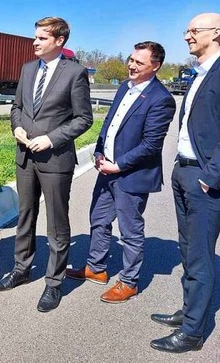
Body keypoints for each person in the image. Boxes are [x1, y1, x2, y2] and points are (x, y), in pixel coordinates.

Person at [150, 13, 220, 353]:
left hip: (205, 178)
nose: (187, 36)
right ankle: (189, 312)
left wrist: (209, 178)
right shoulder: (199, 75)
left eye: (195, 30)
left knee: (199, 255)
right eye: (187, 30)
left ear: (217, 32)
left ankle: (192, 333)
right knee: (187, 249)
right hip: (185, 171)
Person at [0, 17, 93, 312]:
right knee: (25, 215)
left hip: (55, 158)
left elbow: (83, 118)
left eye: (41, 38)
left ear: (59, 40)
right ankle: (21, 270)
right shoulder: (27, 69)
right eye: (34, 37)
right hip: (25, 156)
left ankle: (54, 283)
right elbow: (17, 107)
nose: (34, 42)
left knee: (57, 222)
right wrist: (17, 128)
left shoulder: (74, 73)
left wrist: (51, 139)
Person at [66, 41, 176, 303]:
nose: (131, 65)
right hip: (107, 169)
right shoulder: (124, 89)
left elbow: (151, 145)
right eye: (131, 59)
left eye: (139, 62)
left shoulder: (161, 99)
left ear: (155, 66)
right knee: (98, 220)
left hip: (131, 175)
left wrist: (119, 165)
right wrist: (99, 152)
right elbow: (109, 124)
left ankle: (129, 281)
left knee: (130, 231)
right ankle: (96, 268)